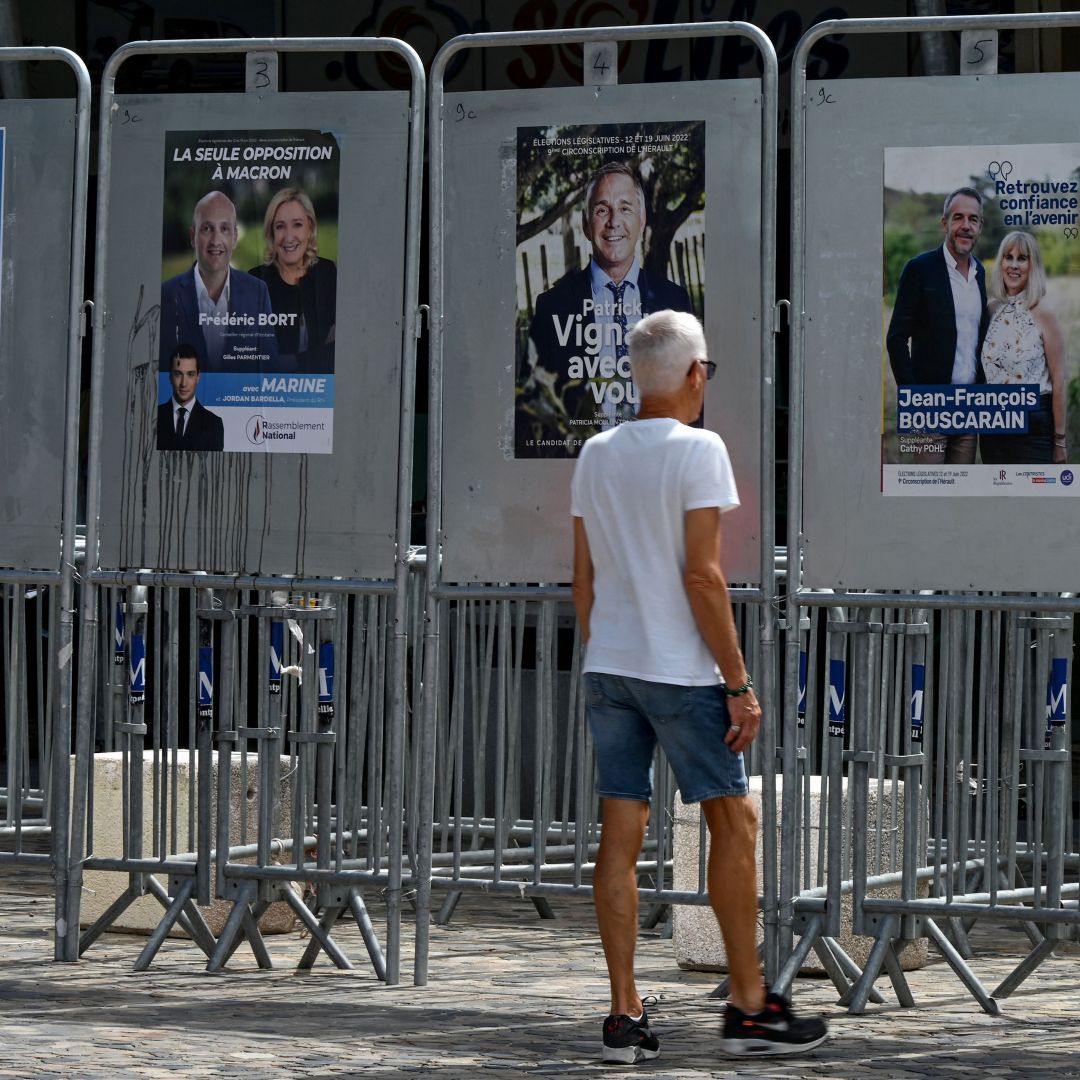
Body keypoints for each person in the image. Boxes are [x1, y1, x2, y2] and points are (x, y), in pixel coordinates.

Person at [571, 309, 828, 1063]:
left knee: (620, 837)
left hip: (610, 665)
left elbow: (582, 578)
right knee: (733, 823)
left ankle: (624, 1014)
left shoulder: (594, 452)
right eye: (705, 371)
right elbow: (704, 576)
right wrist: (739, 683)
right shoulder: (700, 449)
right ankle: (749, 1006)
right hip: (681, 671)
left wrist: (608, 644)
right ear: (692, 375)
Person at [523, 162, 694, 455]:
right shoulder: (552, 307)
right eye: (602, 209)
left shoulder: (674, 302)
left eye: (625, 208)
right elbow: (538, 411)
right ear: (587, 223)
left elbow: (691, 400)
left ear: (642, 219)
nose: (614, 221)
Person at [886, 186, 990, 464]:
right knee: (928, 496)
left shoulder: (981, 273)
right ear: (944, 223)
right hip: (930, 406)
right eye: (958, 218)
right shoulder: (919, 269)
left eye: (973, 219)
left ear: (980, 226)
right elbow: (896, 338)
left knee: (959, 496)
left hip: (968, 407)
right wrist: (915, 399)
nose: (965, 226)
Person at [160, 190, 279, 374]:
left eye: (224, 229)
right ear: (193, 237)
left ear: (234, 237)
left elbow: (269, 371)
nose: (216, 240)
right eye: (207, 228)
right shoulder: (166, 295)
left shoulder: (257, 293)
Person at [979, 231, 1067, 465]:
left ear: (1033, 265)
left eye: (1022, 258)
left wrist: (1060, 440)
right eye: (1008, 257)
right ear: (1001, 263)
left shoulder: (1043, 313)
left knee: (1032, 500)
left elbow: (1059, 381)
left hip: (1033, 424)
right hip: (993, 424)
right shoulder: (991, 310)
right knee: (997, 500)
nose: (1014, 265)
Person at [249, 187, 337, 372]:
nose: (289, 237)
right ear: (271, 232)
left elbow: (339, 346)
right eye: (280, 226)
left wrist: (296, 361)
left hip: (320, 390)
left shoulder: (329, 273)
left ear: (310, 228)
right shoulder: (254, 281)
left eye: (297, 224)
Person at [157, 344, 224, 452]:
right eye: (178, 374)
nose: (183, 383)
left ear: (198, 377)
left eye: (190, 374)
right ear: (170, 376)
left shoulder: (213, 424)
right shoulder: (154, 417)